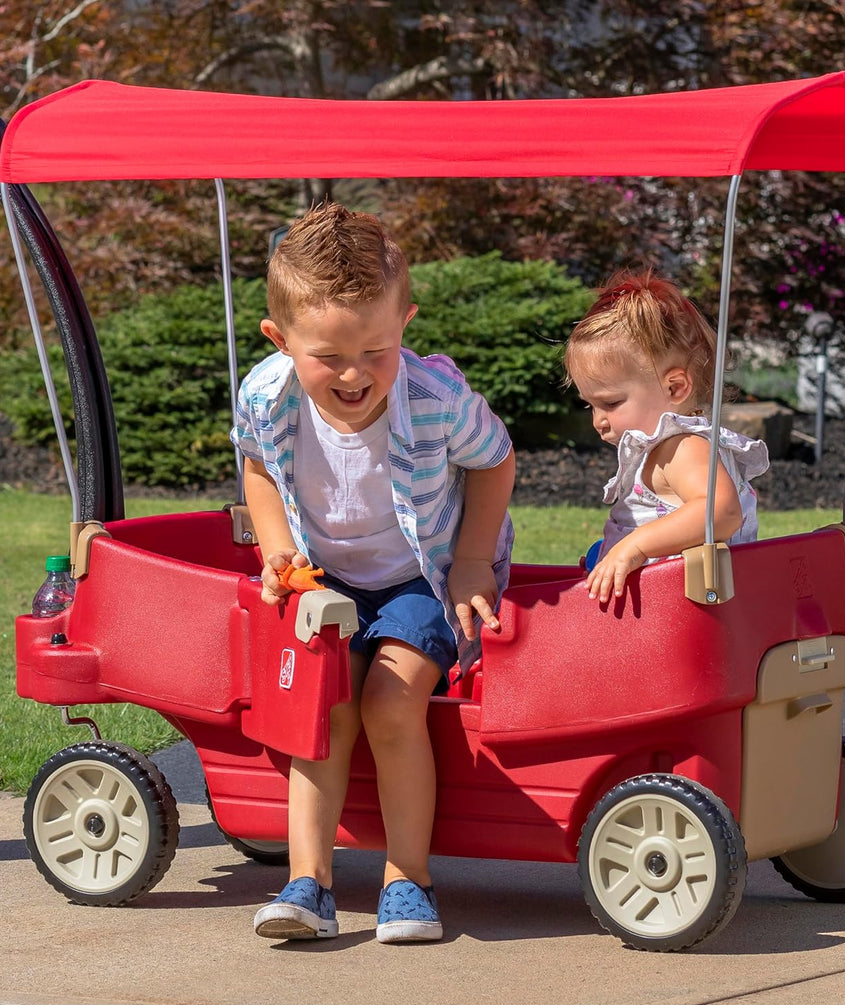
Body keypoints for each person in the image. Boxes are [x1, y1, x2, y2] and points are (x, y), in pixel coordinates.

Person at [231, 201, 515, 944]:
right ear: (281, 340)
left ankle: (406, 878)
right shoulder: (266, 395)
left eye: (377, 350)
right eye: (328, 355)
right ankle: (308, 883)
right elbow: (256, 467)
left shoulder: (434, 399)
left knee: (391, 704)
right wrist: (276, 549)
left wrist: (474, 564)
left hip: (421, 578)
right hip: (325, 581)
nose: (355, 374)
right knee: (323, 710)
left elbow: (494, 462)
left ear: (405, 325)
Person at [563, 268, 769, 603]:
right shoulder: (670, 445)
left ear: (675, 387)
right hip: (669, 613)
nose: (599, 421)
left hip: (680, 616)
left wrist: (636, 544)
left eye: (611, 403)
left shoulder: (682, 447)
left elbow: (721, 511)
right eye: (591, 407)